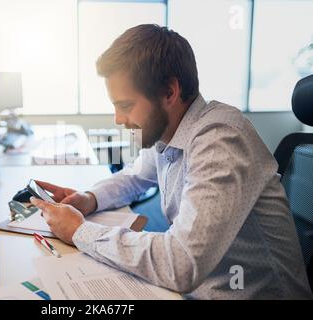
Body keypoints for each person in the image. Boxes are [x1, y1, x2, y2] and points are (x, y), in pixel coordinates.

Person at [30, 24, 313, 299]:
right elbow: (135, 176)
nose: (118, 119)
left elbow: (182, 262)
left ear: (169, 92)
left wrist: (80, 231)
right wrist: (88, 198)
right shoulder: (170, 132)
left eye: (126, 105)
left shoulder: (220, 139)